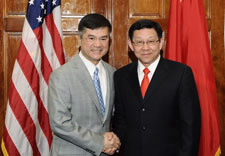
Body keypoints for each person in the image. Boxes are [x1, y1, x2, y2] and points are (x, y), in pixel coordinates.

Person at [112, 19, 201, 156]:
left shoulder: (181, 73)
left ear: (161, 43)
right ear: (131, 45)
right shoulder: (120, 76)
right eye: (139, 42)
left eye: (151, 41)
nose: (145, 47)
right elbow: (120, 120)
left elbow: (190, 124)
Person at [48, 13, 121, 156]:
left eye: (103, 38)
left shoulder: (113, 73)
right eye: (91, 38)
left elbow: (115, 116)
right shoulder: (62, 75)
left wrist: (114, 141)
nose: (98, 44)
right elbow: (59, 123)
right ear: (79, 39)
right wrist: (99, 142)